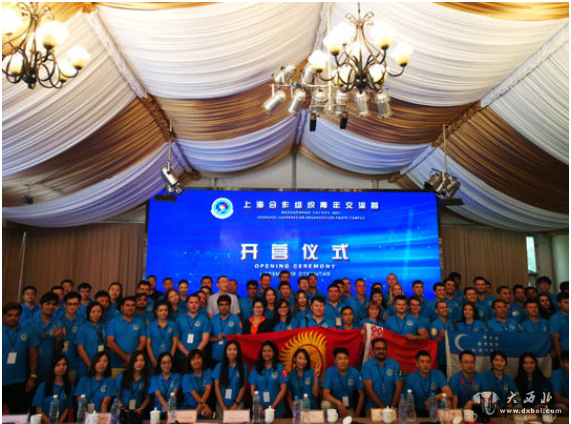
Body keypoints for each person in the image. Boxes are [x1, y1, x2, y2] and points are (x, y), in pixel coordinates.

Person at [2, 302, 39, 414]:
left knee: (18, 415)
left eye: (16, 315)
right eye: (9, 315)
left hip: (19, 381)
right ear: (3, 316)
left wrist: (32, 377)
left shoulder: (27, 331)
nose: (13, 318)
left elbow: (33, 354)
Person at [106, 296, 147, 378]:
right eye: (127, 305)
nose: (130, 308)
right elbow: (109, 342)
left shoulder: (140, 322)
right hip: (115, 364)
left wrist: (132, 359)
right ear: (122, 308)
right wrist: (127, 358)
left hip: (135, 365)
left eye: (132, 305)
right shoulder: (113, 322)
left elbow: (143, 342)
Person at [404, 350, 451, 417]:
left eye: (428, 362)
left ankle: (444, 419)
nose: (425, 365)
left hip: (435, 408)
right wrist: (414, 419)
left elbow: (449, 393)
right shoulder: (410, 379)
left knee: (448, 401)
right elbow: (407, 402)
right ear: (417, 363)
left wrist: (433, 398)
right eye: (422, 362)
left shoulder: (438, 374)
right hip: (418, 410)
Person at [362, 338, 403, 413]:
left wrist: (392, 408)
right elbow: (368, 390)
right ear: (373, 350)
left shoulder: (396, 365)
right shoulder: (366, 366)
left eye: (383, 348)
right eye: (378, 349)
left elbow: (399, 388)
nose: (381, 351)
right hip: (373, 409)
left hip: (393, 408)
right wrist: (383, 408)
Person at [249, 341, 288, 418]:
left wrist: (271, 408)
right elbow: (252, 389)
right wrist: (259, 405)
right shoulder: (256, 367)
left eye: (269, 351)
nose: (266, 353)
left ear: (274, 353)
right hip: (260, 410)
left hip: (277, 410)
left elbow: (283, 389)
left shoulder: (280, 367)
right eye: (264, 351)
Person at [322, 347, 364, 417]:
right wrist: (338, 402)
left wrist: (357, 414)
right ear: (335, 361)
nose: (343, 361)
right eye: (340, 359)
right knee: (325, 404)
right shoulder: (329, 372)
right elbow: (325, 394)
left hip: (348, 407)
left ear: (349, 360)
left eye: (345, 358)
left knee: (350, 420)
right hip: (334, 405)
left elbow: (361, 395)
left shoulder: (355, 372)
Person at [29, 292, 63, 379]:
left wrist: (59, 339)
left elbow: (59, 349)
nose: (51, 307)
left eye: (53, 305)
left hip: (51, 367)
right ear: (41, 305)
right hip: (32, 367)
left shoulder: (59, 323)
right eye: (48, 304)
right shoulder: (30, 323)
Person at [32, 355, 73, 423]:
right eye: (58, 365)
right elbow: (39, 410)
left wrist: (59, 422)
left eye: (64, 364)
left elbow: (67, 409)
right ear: (53, 366)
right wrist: (50, 422)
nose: (61, 367)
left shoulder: (69, 386)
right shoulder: (43, 386)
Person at [175, 293, 211, 371]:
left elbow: (205, 339)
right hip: (182, 356)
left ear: (199, 304)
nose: (193, 305)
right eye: (191, 302)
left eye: (196, 302)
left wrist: (194, 354)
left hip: (198, 357)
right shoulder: (179, 319)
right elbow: (176, 339)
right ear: (187, 304)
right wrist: (187, 353)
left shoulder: (204, 319)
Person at [212, 340, 248, 416]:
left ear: (238, 352)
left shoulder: (243, 366)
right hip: (221, 405)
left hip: (238, 404)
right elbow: (216, 387)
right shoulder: (219, 366)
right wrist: (222, 405)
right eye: (229, 349)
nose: (232, 352)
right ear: (225, 351)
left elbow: (243, 386)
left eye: (234, 350)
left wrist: (236, 404)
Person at [115, 350, 150, 416]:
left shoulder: (146, 378)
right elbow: (116, 397)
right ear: (132, 361)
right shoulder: (122, 376)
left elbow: (147, 399)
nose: (139, 363)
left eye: (142, 360)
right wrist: (122, 408)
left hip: (137, 411)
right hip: (122, 410)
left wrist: (141, 408)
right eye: (136, 360)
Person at [76, 302, 106, 378]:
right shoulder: (83, 328)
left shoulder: (103, 327)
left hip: (100, 364)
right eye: (93, 312)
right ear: (88, 313)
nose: (96, 314)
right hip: (86, 364)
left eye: (99, 312)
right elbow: (80, 349)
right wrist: (90, 365)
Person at [146, 300, 179, 369]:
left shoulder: (173, 325)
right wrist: (153, 360)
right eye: (160, 310)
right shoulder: (151, 326)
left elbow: (175, 343)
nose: (163, 312)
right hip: (154, 359)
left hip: (169, 360)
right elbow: (148, 345)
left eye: (165, 310)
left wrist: (170, 358)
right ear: (156, 311)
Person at [210, 295, 242, 364]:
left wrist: (228, 337)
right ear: (218, 306)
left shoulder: (236, 319)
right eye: (221, 305)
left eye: (226, 304)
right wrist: (216, 339)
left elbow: (239, 338)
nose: (224, 307)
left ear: (230, 306)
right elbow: (208, 338)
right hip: (216, 355)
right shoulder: (213, 319)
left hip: (231, 356)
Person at [181, 349, 213, 417]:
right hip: (189, 408)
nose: (196, 361)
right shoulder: (186, 376)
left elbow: (208, 390)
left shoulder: (208, 371)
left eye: (198, 358)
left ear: (202, 359)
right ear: (189, 362)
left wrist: (202, 405)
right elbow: (193, 393)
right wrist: (204, 405)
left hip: (204, 407)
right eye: (193, 359)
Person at [59, 291, 83, 383]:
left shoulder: (83, 322)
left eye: (75, 304)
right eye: (69, 304)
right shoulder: (57, 320)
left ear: (79, 305)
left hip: (75, 364)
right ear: (64, 305)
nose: (72, 306)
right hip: (57, 364)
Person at [430, 301, 455, 371]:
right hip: (441, 360)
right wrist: (441, 336)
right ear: (436, 311)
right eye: (442, 308)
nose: (445, 309)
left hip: (451, 358)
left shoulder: (450, 323)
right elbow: (433, 343)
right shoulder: (434, 325)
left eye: (446, 307)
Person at [550, 293, 569, 363]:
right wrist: (561, 360)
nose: (569, 305)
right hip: (566, 354)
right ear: (559, 304)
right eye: (566, 302)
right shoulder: (555, 319)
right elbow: (555, 340)